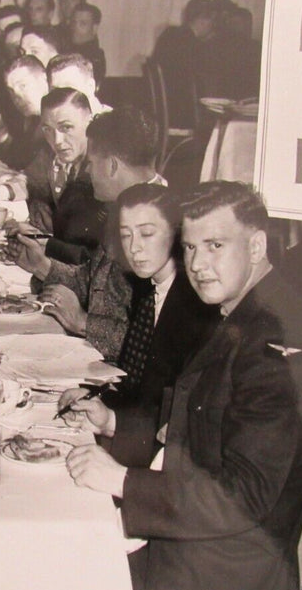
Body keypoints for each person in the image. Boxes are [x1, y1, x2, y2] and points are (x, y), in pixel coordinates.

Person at [65, 181, 302, 590]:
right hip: (206, 550)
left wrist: (123, 480)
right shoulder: (243, 312)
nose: (198, 264)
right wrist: (115, 423)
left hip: (228, 586)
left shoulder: (272, 345)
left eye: (215, 245)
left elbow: (243, 496)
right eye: (190, 247)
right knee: (65, 560)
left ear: (256, 246)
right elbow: (202, 429)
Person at [57, 184, 219, 466]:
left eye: (146, 233)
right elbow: (137, 385)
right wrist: (96, 399)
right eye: (126, 235)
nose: (134, 248)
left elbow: (171, 411)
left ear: (176, 234)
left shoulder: (196, 306)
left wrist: (112, 420)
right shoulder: (146, 288)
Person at [5, 106, 161, 359]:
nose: (88, 171)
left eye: (91, 163)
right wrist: (42, 266)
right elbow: (97, 283)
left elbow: (155, 342)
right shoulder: (124, 206)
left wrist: (83, 322)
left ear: (112, 166)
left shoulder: (159, 224)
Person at [8, 87, 104, 266]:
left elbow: (93, 257)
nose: (57, 140)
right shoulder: (53, 157)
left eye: (66, 127)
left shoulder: (105, 175)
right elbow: (30, 181)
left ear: (90, 123)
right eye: (48, 129)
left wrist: (44, 243)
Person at [150, 0, 216, 130]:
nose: (212, 27)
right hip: (183, 116)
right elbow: (200, 85)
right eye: (212, 22)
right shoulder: (194, 45)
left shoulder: (169, 34)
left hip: (162, 111)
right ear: (203, 21)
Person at [46, 52, 111, 117]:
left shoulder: (112, 120)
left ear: (90, 87)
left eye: (69, 89)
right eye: (55, 92)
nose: (62, 97)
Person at [65, 2, 107, 84]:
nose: (75, 28)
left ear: (94, 28)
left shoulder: (95, 58)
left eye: (83, 24)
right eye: (74, 22)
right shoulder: (64, 49)